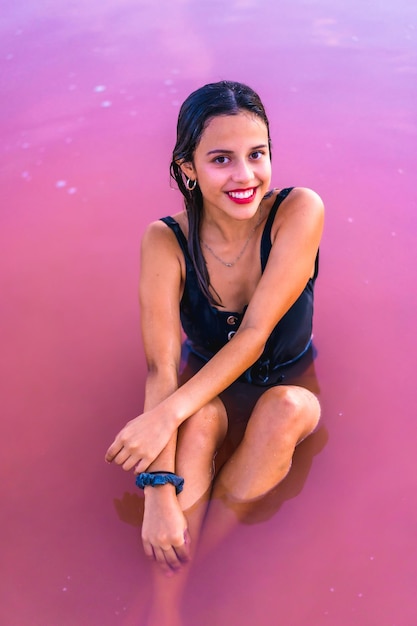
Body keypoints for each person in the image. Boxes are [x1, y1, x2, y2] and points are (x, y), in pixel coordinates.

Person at [105, 80, 324, 626]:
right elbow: (160, 368)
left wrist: (162, 419)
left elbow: (253, 336)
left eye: (257, 154)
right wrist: (156, 493)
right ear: (188, 169)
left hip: (290, 384)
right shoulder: (164, 242)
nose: (245, 176)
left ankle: (194, 565)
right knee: (199, 417)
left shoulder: (298, 211)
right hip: (206, 390)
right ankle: (166, 610)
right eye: (221, 159)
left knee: (287, 409)